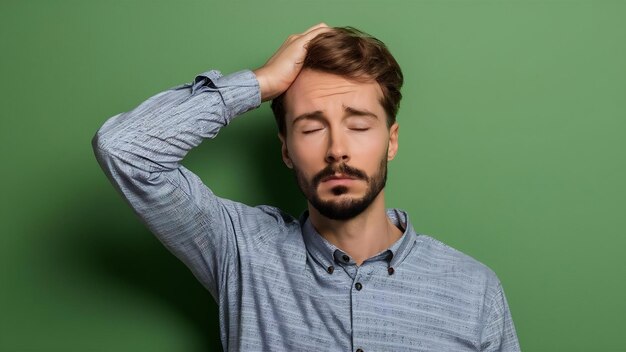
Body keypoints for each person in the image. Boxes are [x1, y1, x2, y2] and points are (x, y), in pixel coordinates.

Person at [92, 23, 521, 351]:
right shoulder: (242, 252)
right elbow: (125, 150)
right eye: (312, 128)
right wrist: (260, 82)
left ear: (390, 141)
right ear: (286, 151)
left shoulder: (474, 291)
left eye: (358, 125)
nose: (338, 149)